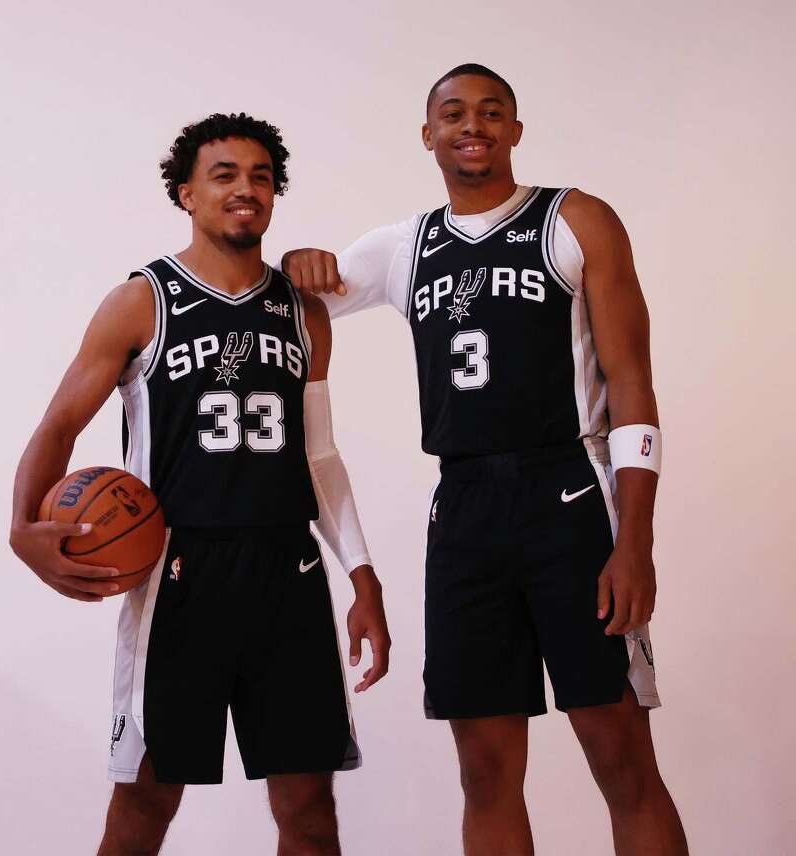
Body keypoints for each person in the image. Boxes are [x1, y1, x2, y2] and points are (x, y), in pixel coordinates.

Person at [283, 65, 688, 856]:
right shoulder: (406, 246)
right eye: (455, 113)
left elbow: (632, 383)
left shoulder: (574, 220)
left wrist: (634, 541)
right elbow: (297, 298)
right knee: (484, 771)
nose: (475, 125)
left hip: (570, 492)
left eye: (493, 112)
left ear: (515, 130)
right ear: (428, 134)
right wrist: (299, 260)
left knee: (620, 756)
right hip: (464, 508)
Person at [10, 113, 390, 856]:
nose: (245, 189)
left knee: (310, 810)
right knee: (147, 799)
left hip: (291, 573)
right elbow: (58, 427)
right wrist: (23, 529)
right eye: (224, 175)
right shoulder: (142, 300)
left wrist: (364, 575)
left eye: (260, 176)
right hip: (180, 574)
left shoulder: (305, 312)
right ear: (186, 193)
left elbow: (319, 457)